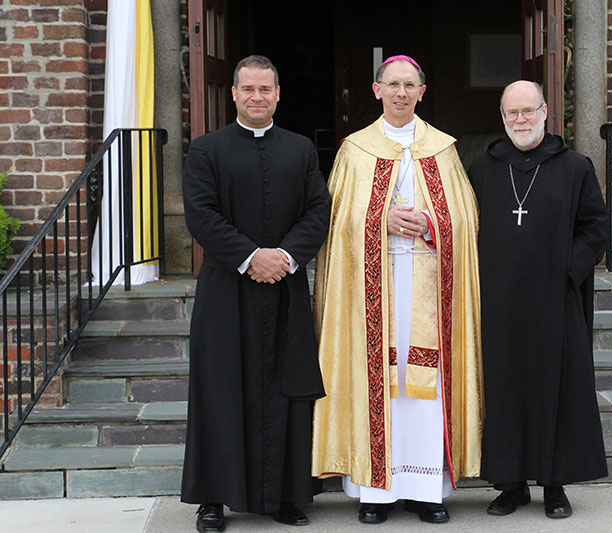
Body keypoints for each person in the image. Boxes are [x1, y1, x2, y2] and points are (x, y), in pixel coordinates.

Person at [311, 55, 482, 525]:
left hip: (428, 283)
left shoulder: (442, 148)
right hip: (373, 286)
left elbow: (466, 219)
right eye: (393, 85)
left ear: (422, 92)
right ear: (376, 89)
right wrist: (378, 221)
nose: (401, 93)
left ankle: (427, 489)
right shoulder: (355, 149)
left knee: (421, 385)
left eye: (410, 85)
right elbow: (335, 220)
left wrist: (431, 222)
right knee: (377, 380)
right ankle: (374, 491)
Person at [181, 55, 331, 532]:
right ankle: (213, 499)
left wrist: (285, 257)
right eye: (248, 89)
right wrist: (251, 258)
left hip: (284, 289)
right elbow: (201, 216)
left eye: (265, 89)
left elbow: (317, 212)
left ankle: (285, 495)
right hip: (227, 290)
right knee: (220, 391)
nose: (257, 97)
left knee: (287, 390)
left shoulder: (301, 149)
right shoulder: (206, 149)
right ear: (234, 94)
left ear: (278, 93)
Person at [467, 80, 609, 519]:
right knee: (504, 389)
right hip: (499, 301)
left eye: (528, 111)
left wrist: (566, 271)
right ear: (502, 117)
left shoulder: (574, 166)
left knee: (557, 389)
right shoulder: (482, 167)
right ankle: (509, 485)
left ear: (546, 111)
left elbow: (595, 229)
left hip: (555, 303)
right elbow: (461, 225)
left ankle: (554, 486)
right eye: (512, 113)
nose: (521, 121)